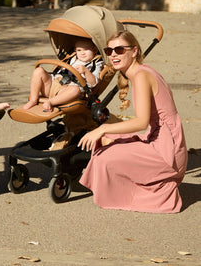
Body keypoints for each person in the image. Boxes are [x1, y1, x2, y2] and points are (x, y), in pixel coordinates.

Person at [78, 30, 188, 213]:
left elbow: (141, 122)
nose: (113, 54)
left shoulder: (141, 76)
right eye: (109, 50)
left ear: (134, 51)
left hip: (167, 150)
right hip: (162, 138)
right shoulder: (141, 72)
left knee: (103, 158)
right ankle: (149, 182)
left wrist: (102, 129)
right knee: (106, 142)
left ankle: (159, 190)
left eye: (119, 50)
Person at [22, 39, 103, 111]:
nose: (82, 53)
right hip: (53, 85)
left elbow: (93, 83)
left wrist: (86, 72)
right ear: (75, 50)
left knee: (75, 90)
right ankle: (33, 99)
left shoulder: (96, 63)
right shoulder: (71, 58)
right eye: (79, 50)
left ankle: (51, 102)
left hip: (67, 92)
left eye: (86, 49)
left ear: (94, 50)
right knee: (38, 70)